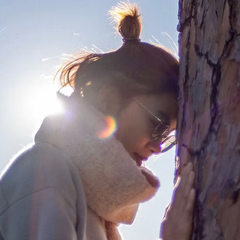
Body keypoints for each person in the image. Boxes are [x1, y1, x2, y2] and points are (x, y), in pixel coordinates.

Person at [0, 2, 195, 240]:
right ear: (109, 98)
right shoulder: (45, 169)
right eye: (159, 124)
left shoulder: (95, 206)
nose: (157, 147)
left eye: (166, 136)